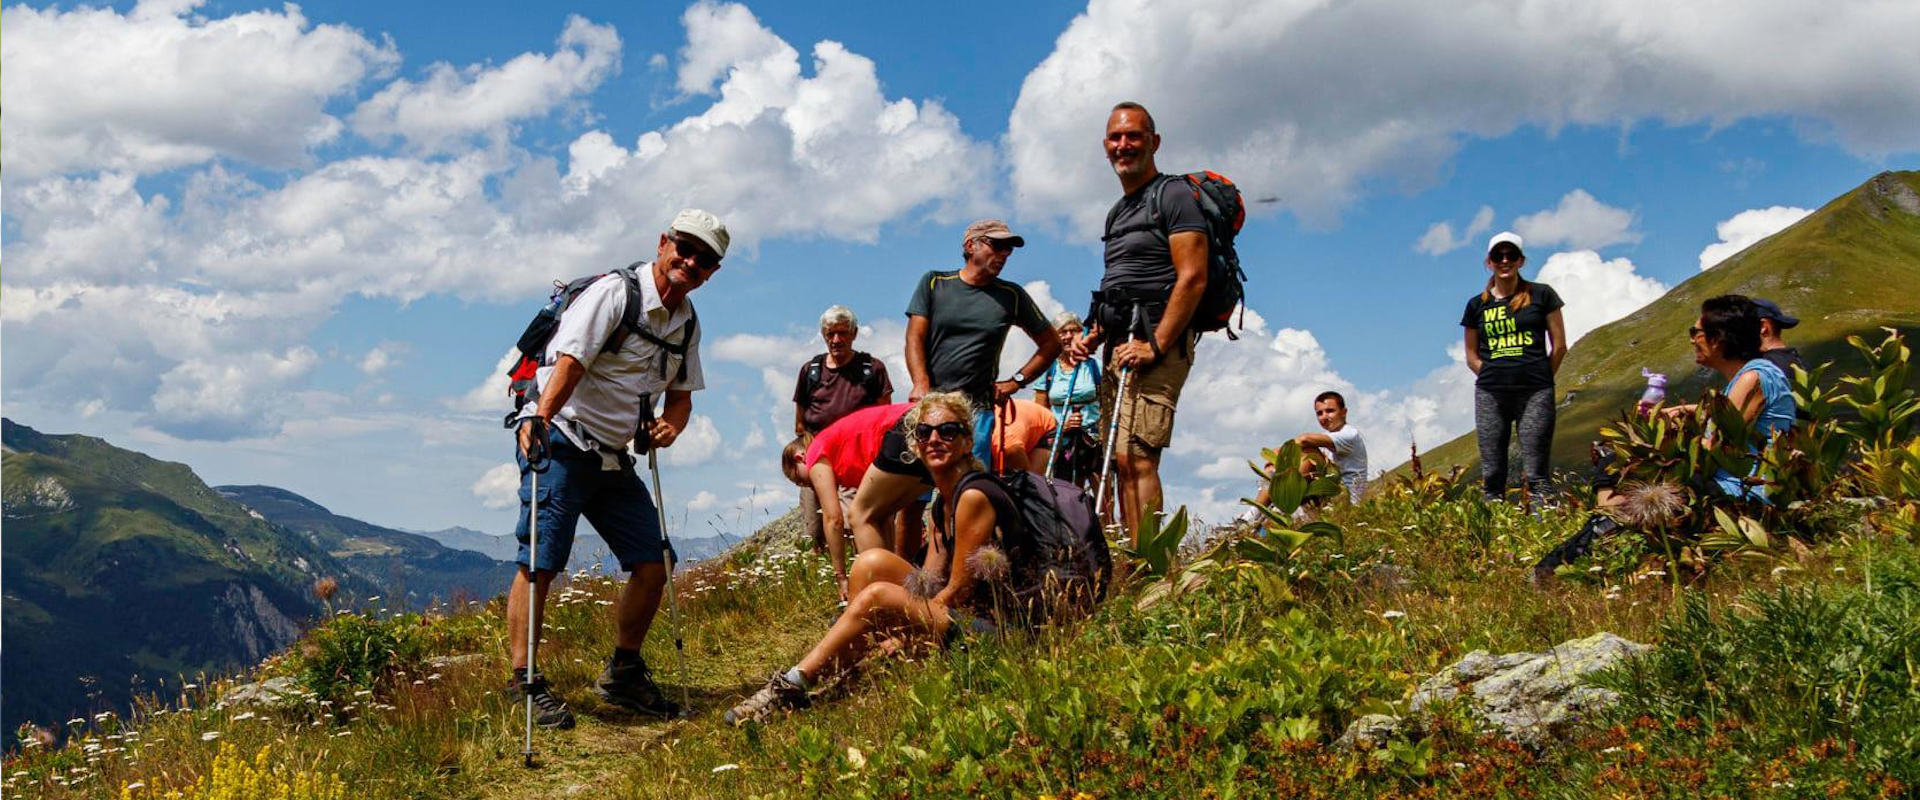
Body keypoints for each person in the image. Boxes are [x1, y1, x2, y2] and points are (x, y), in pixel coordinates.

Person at [505, 208, 727, 727]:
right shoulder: (614, 294)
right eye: (684, 248)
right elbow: (571, 362)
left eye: (704, 260)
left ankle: (623, 674)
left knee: (655, 563)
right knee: (540, 560)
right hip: (560, 436)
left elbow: (681, 399)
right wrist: (539, 417)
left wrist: (670, 428)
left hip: (610, 455)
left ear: (713, 272)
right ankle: (525, 682)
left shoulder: (686, 322)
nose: (691, 262)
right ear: (663, 242)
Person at [727, 392, 1014, 725]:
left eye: (947, 431)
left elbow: (960, 591)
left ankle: (790, 686)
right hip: (958, 619)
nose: (934, 439)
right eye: (924, 433)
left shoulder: (974, 495)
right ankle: (852, 673)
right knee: (870, 563)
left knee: (877, 594)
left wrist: (901, 619)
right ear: (916, 446)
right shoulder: (942, 503)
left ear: (967, 442)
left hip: (997, 632)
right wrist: (905, 621)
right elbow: (931, 582)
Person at [1531, 295, 1798, 584]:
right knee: (1616, 465)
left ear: (1719, 339)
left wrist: (1658, 455)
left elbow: (1718, 444)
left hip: (1740, 491)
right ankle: (1565, 566)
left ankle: (1555, 573)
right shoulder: (1750, 376)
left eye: (1696, 332)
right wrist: (1680, 413)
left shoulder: (1754, 378)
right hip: (1726, 483)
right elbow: (1727, 414)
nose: (1692, 339)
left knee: (1631, 495)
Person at [1068, 101, 1210, 547]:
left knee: (1140, 456)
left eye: (1133, 136)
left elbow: (1193, 275)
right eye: (1115, 137)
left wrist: (1157, 345)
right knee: (1121, 459)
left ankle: (1150, 560)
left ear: (1155, 142)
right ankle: (1133, 554)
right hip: (1119, 343)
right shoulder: (1119, 211)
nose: (1123, 145)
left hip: (1153, 342)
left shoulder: (1173, 196)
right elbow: (1117, 283)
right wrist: (1092, 336)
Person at [905, 220, 1061, 467]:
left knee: (970, 487)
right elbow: (914, 337)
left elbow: (1052, 344)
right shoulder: (935, 282)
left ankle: (1148, 508)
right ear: (970, 245)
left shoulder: (1011, 295)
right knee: (915, 492)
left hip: (976, 411)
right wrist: (920, 383)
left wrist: (1016, 382)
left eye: (1008, 249)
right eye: (997, 246)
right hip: (930, 403)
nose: (1004, 254)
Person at [780, 402, 928, 599]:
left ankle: (881, 596)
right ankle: (900, 590)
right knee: (878, 515)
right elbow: (883, 516)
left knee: (858, 515)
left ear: (800, 458)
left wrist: (840, 576)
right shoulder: (843, 454)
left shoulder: (815, 453)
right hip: (926, 425)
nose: (804, 485)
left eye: (798, 479)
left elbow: (834, 519)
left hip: (904, 429)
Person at [1462, 231, 1567, 503]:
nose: (1505, 260)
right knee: (1493, 470)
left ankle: (1541, 524)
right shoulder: (1477, 305)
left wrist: (1542, 377)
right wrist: (1488, 373)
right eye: (1499, 255)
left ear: (1521, 261)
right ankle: (1493, 529)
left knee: (1536, 469)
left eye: (1511, 255)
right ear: (1489, 261)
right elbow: (1471, 354)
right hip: (1491, 393)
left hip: (1535, 391)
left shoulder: (1542, 295)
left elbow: (1560, 345)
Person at [793, 306, 894, 555]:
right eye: (830, 334)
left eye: (842, 333)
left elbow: (886, 420)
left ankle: (861, 573)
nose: (836, 340)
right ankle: (827, 582)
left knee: (853, 522)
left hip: (857, 460)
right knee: (816, 529)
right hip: (818, 456)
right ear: (823, 335)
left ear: (854, 334)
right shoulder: (810, 371)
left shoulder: (872, 369)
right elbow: (799, 423)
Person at [1031, 311, 1103, 486]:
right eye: (1062, 332)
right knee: (1063, 486)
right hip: (1059, 438)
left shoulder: (1095, 366)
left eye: (1074, 331)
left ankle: (1104, 514)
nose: (1069, 336)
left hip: (1093, 437)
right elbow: (1040, 412)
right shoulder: (1048, 370)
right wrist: (1062, 427)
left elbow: (1106, 403)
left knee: (1101, 485)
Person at [989, 398, 1059, 474]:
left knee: (1030, 479)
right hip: (1019, 426)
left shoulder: (1007, 444)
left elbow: (1023, 474)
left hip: (1045, 426)